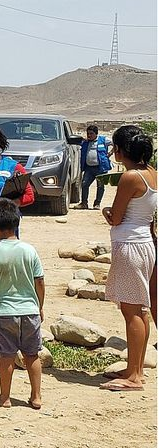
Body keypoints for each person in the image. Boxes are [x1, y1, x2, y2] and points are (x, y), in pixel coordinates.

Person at [0, 198, 45, 409]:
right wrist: (39, 306)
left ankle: (4, 397)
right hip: (29, 311)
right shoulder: (29, 250)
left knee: (6, 356)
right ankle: (36, 396)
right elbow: (39, 281)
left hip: (3, 312)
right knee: (32, 354)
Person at [100, 125, 156, 392]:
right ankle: (136, 367)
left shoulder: (130, 177)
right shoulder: (152, 174)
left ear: (121, 150)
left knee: (130, 309)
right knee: (139, 308)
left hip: (129, 245)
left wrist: (107, 213)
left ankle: (134, 377)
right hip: (144, 242)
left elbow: (117, 216)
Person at [78, 124, 114, 210]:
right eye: (88, 134)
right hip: (89, 168)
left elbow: (115, 144)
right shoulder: (85, 142)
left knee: (100, 186)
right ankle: (84, 203)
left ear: (96, 134)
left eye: (91, 133)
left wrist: (110, 153)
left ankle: (97, 203)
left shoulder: (103, 140)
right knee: (84, 184)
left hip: (101, 168)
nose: (89, 135)